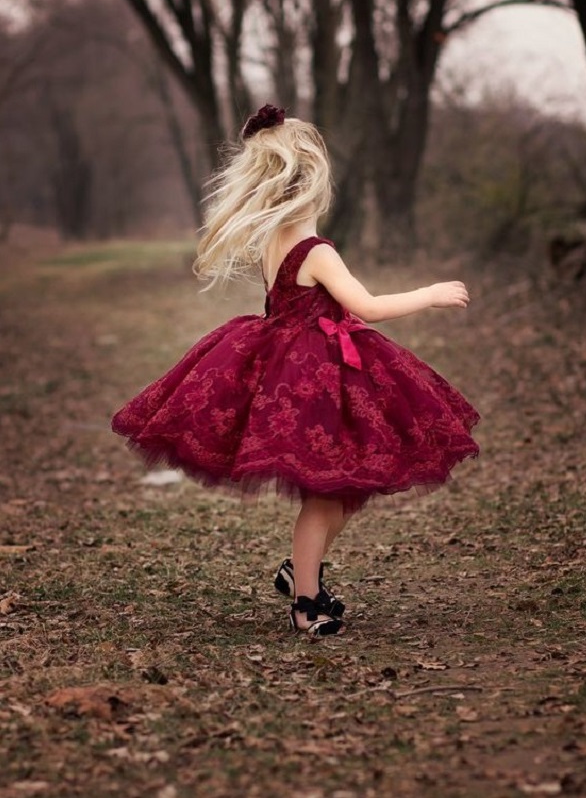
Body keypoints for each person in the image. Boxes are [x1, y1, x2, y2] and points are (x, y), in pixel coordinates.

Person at [112, 104, 480, 638]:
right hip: (312, 374)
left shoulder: (273, 241)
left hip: (300, 365)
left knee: (347, 482)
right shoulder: (316, 250)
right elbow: (367, 307)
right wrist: (431, 294)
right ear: (313, 184)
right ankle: (306, 601)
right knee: (328, 491)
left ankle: (299, 571)